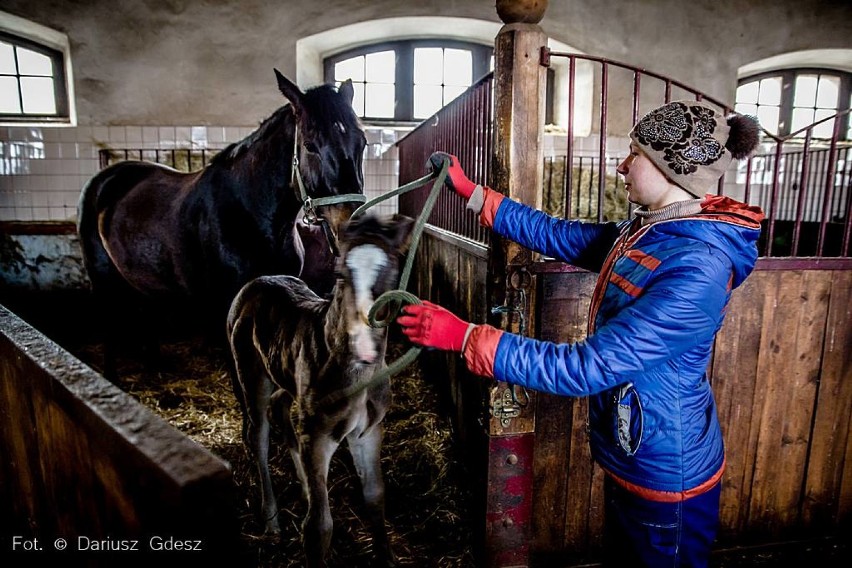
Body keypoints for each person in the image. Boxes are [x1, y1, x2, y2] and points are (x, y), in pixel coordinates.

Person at [396, 100, 765, 568]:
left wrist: (468, 337)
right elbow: (557, 234)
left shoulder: (696, 266)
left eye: (636, 154)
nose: (622, 165)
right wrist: (471, 192)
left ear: (674, 168)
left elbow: (586, 367)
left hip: (668, 474)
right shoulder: (651, 232)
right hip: (635, 450)